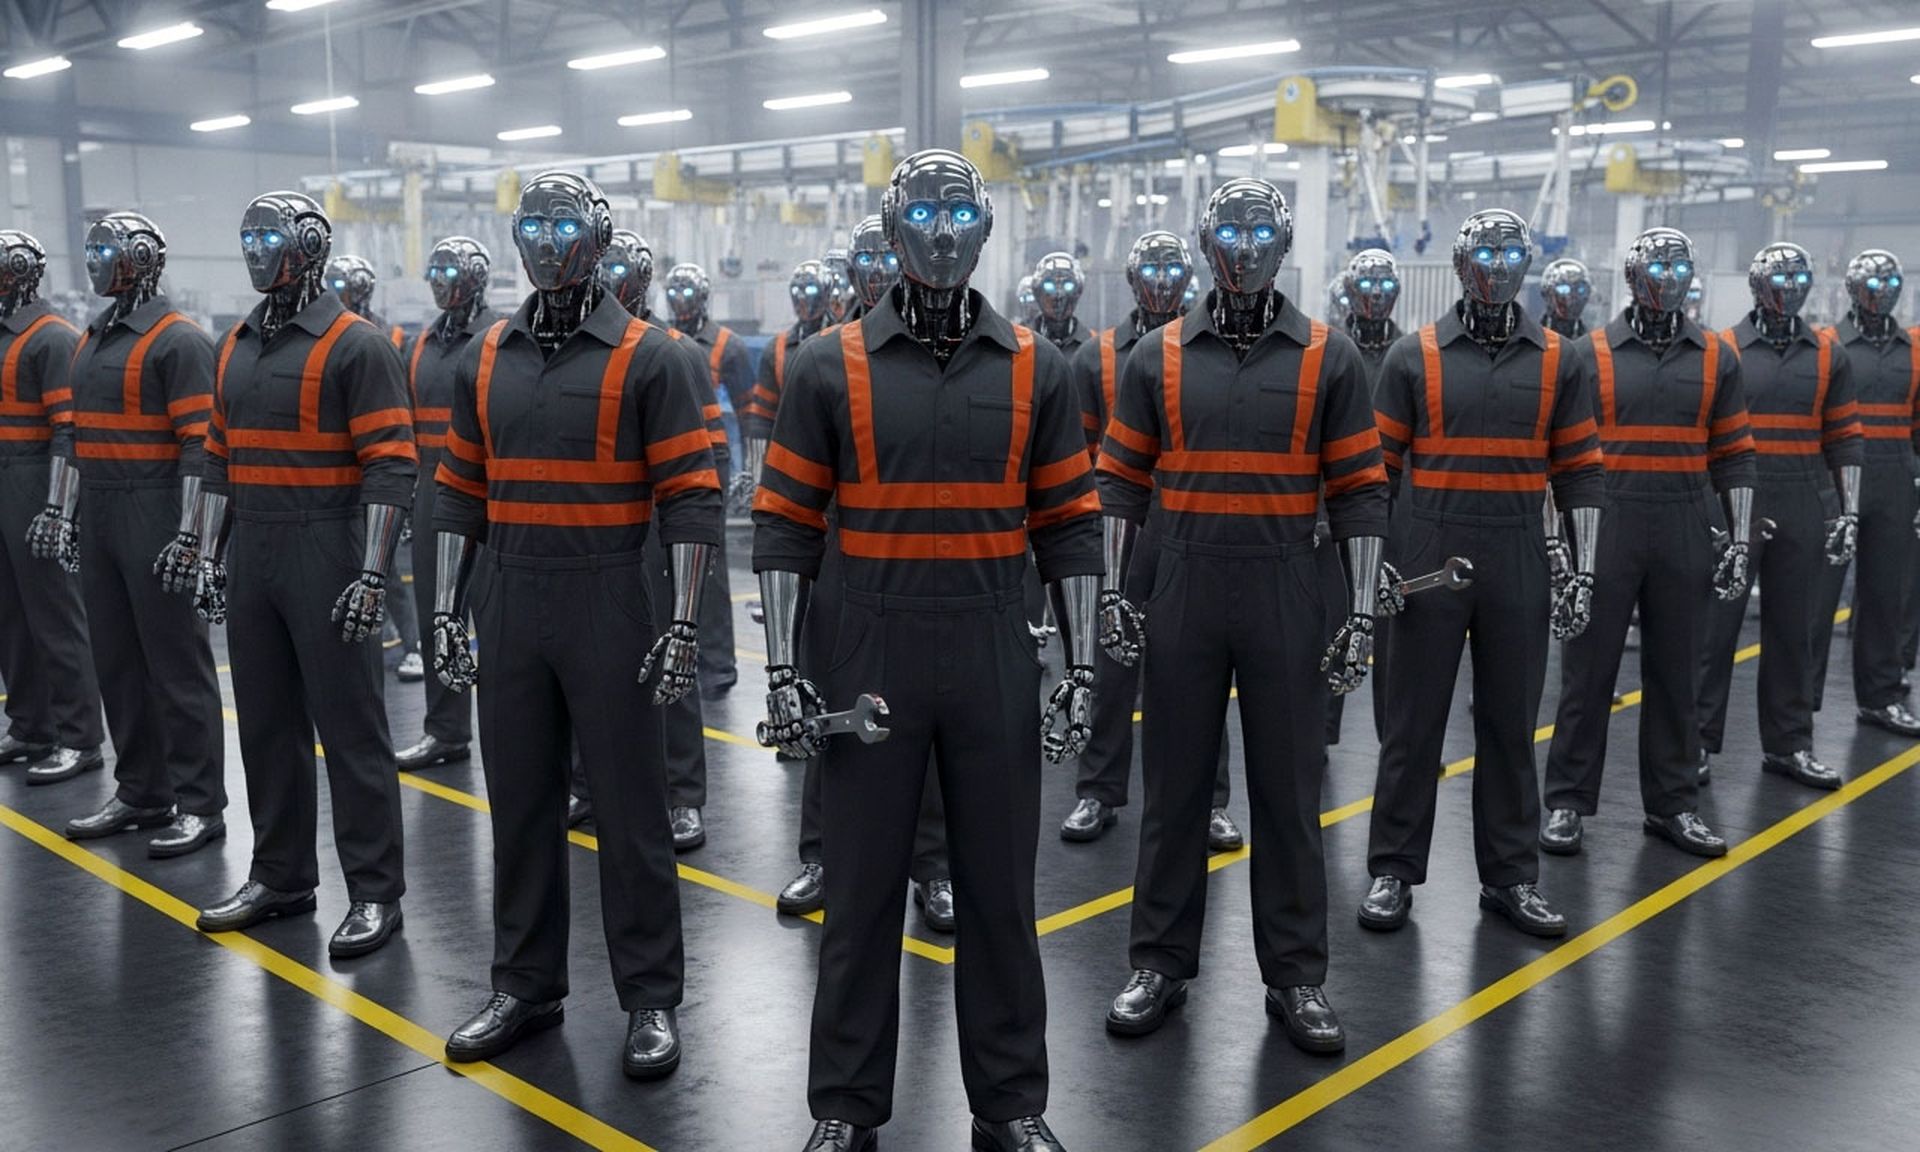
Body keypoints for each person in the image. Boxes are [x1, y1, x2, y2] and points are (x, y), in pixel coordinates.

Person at [755, 148, 1097, 1152]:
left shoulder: (1039, 367)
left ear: (986, 231)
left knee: (999, 892)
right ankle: (845, 1109)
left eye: (960, 212)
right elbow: (781, 524)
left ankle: (1011, 1104)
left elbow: (1072, 524)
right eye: (922, 212)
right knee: (859, 895)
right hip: (869, 649)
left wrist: (1072, 666)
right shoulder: (829, 364)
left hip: (995, 641)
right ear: (892, 227)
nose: (942, 232)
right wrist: (783, 666)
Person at [432, 172, 720, 1077]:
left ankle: (650, 998)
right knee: (519, 804)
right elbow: (457, 492)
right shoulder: (486, 355)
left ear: (598, 236)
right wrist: (445, 604)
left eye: (564, 223)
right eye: (533, 224)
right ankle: (525, 983)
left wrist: (680, 623)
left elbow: (692, 501)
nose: (547, 241)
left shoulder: (652, 356)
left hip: (609, 600)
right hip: (510, 600)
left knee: (632, 814)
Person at [1094, 179, 1388, 1052]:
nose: (1246, 243)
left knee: (1290, 794)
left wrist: (1362, 609)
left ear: (1286, 242)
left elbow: (1363, 493)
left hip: (1287, 589)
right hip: (1181, 585)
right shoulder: (1158, 356)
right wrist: (1116, 589)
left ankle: (1296, 976)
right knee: (1175, 790)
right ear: (1204, 239)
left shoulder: (1330, 358)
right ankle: (1159, 962)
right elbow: (1119, 484)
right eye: (1230, 226)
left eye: (1263, 229)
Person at [1361, 209, 1605, 939]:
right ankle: (1392, 869)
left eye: (1509, 255)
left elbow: (1581, 474)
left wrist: (1581, 569)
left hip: (1518, 559)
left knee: (1508, 724)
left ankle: (1510, 876)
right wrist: (1373, 567)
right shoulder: (1415, 356)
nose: (1497, 269)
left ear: (1525, 266)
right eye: (1484, 255)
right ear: (1463, 265)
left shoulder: (1562, 359)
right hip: (1425, 558)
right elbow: (1378, 476)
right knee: (1412, 726)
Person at [186, 191, 414, 958]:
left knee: (351, 732)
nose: (255, 250)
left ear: (309, 245)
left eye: (270, 235)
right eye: (246, 235)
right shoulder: (235, 344)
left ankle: (377, 892)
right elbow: (218, 457)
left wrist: (373, 573)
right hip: (256, 549)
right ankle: (281, 875)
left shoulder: (358, 346)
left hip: (329, 549)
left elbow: (390, 467)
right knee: (265, 724)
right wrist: (211, 553)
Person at [1539, 228, 1756, 860]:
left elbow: (1736, 454)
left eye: (1678, 267)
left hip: (1686, 526)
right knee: (1587, 673)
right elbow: (1563, 458)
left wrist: (1739, 535)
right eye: (1656, 267)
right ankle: (1566, 803)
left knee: (1677, 672)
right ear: (1632, 277)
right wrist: (1560, 541)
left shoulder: (1717, 357)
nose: (1667, 279)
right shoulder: (1588, 353)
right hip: (1606, 526)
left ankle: (1673, 805)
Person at [776, 214, 955, 934]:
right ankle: (824, 857)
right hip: (842, 561)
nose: (880, 276)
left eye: (889, 262)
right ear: (851, 275)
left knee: (929, 720)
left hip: (924, 561)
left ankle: (933, 867)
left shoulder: (941, 348)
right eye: (868, 265)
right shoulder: (822, 357)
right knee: (833, 719)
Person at [31, 213, 228, 857]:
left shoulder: (180, 342)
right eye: (90, 251)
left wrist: (192, 534)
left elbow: (201, 449)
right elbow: (80, 438)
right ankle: (143, 790)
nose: (92, 263)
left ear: (141, 258)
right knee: (117, 661)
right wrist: (69, 512)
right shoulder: (93, 337)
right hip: (103, 515)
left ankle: (201, 804)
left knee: (177, 666)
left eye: (105, 251)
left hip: (156, 513)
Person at [1059, 230, 1239, 851]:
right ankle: (1098, 790)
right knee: (1110, 664)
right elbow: (1077, 456)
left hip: (1191, 527)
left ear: (1191, 279)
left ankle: (1210, 802)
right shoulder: (1095, 358)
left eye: (1173, 269)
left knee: (1204, 669)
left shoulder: (1211, 349)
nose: (1162, 282)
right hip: (1120, 528)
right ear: (1132, 281)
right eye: (1150, 270)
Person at [1697, 243, 1861, 788]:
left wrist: (1846, 510)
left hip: (1803, 499)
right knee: (1714, 632)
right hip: (1735, 500)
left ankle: (1789, 744)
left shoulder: (1826, 354)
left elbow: (1843, 438)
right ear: (1757, 284)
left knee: (1796, 630)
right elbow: (1708, 438)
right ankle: (1694, 742)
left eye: (1799, 278)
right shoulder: (1723, 350)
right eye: (1779, 278)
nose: (1789, 288)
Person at [600, 229, 732, 850]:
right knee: (595, 666)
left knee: (670, 667)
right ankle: (588, 782)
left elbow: (709, 451)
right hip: (596, 536)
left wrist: (695, 541)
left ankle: (683, 798)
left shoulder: (675, 351)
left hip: (656, 531)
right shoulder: (583, 348)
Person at [0, 230, 105, 787]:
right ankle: (30, 724)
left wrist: (58, 509)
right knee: (11, 617)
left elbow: (68, 431)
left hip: (36, 481)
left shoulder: (52, 339)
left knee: (56, 615)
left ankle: (80, 736)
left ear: (17, 271)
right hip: (4, 481)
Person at [393, 236, 497, 773]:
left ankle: (513, 737)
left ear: (476, 277)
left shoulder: (503, 339)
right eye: (432, 270)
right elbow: (408, 429)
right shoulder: (418, 346)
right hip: (435, 494)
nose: (438, 281)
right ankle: (446, 730)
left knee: (501, 625)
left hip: (492, 494)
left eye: (449, 270)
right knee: (441, 612)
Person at [1807, 249, 1920, 737]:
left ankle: (1881, 695)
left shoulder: (1913, 349)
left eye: (1889, 286)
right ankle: (1796, 709)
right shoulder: (1827, 344)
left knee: (1886, 593)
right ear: (1853, 289)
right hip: (1833, 478)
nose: (1881, 295)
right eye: (1872, 286)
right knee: (1815, 599)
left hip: (1895, 478)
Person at [1031, 251, 1089, 357]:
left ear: (1078, 292)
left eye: (1068, 285)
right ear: (1037, 292)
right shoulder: (1020, 342)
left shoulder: (1092, 346)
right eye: (1049, 285)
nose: (1059, 295)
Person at [1539, 257, 1593, 339]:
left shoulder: (1591, 345)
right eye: (1563, 289)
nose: (1572, 297)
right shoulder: (1532, 339)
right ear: (1548, 293)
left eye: (1580, 290)